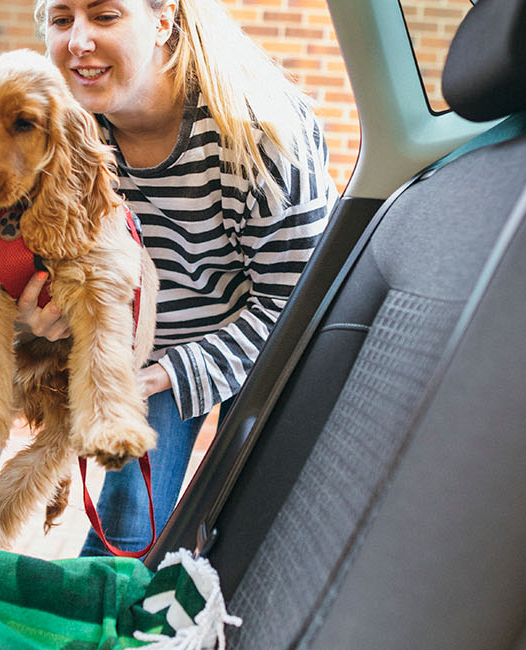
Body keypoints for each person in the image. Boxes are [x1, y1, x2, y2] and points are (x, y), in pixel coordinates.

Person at [23, 0, 339, 556]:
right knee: (125, 522)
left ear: (163, 20)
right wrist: (45, 315)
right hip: (152, 343)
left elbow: (292, 310)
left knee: (255, 521)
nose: (78, 41)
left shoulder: (260, 134)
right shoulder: (64, 136)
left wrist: (165, 374)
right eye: (62, 18)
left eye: (104, 15)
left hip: (269, 337)